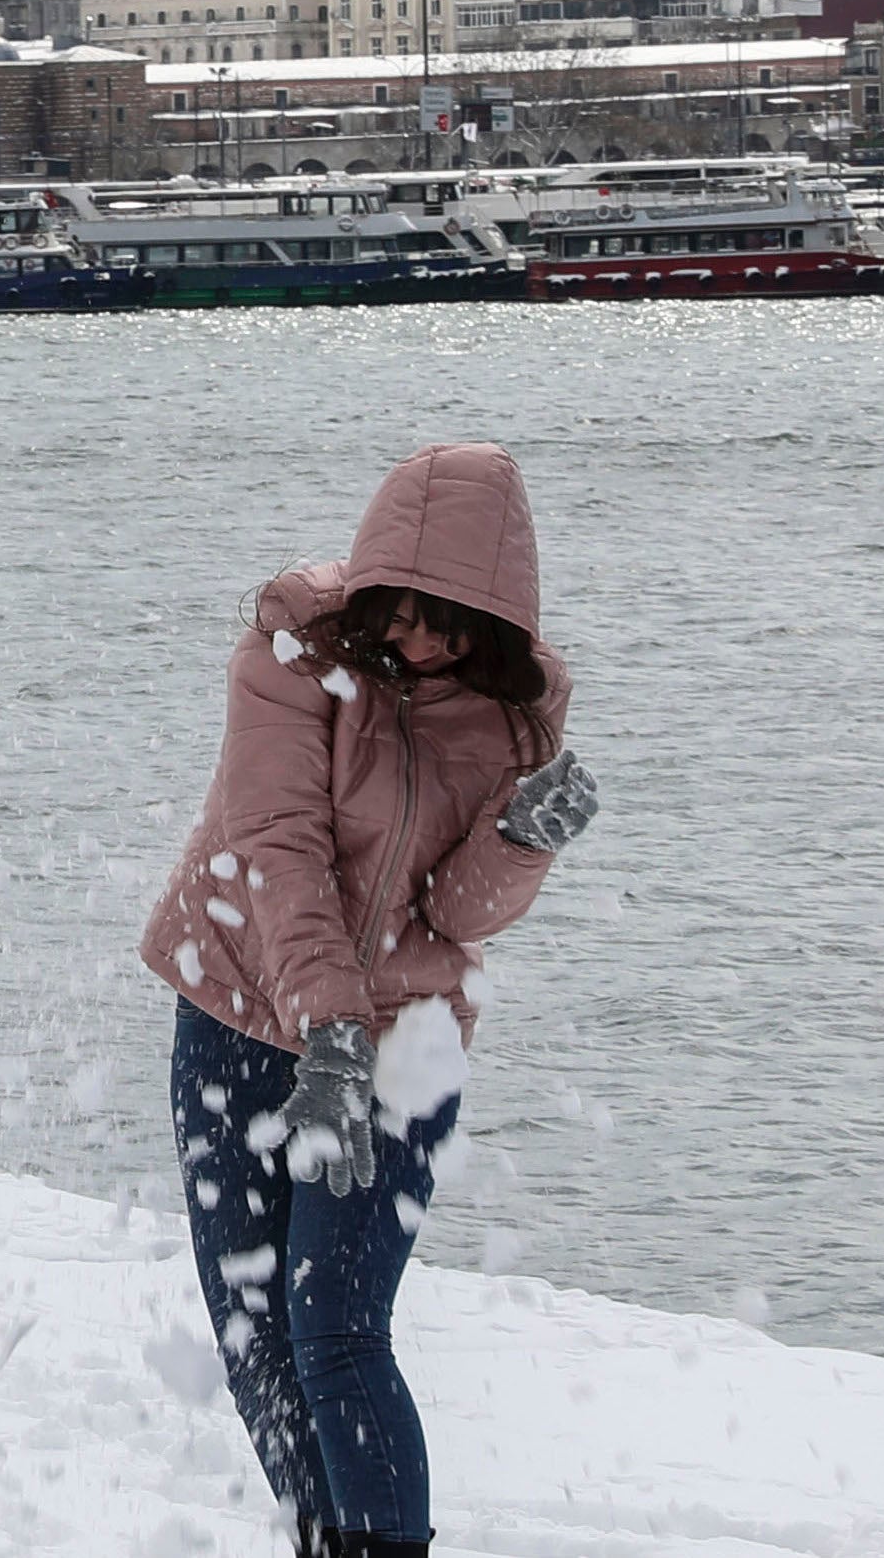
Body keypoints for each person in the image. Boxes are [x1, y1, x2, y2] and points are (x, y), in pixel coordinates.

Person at [140, 442, 600, 1558]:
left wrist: (517, 842)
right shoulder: (293, 646)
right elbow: (277, 846)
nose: (423, 641)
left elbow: (455, 914)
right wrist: (328, 1033)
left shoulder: (515, 711)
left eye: (453, 624)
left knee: (336, 1329)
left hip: (407, 1044)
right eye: (405, 610)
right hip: (238, 1008)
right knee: (255, 1332)